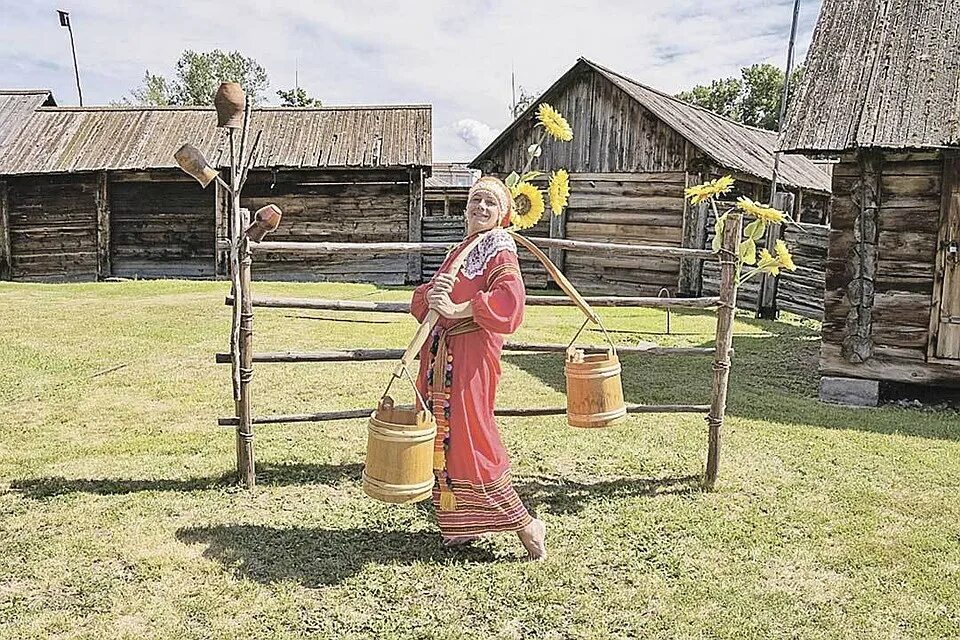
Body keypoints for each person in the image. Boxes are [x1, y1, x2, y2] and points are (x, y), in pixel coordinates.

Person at [409, 176, 547, 560]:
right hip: (441, 353)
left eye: (491, 203)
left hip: (470, 353)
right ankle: (459, 524)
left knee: (472, 433)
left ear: (503, 213)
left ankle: (525, 524)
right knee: (444, 433)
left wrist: (460, 309)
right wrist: (430, 295)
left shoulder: (499, 247)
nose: (481, 208)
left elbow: (510, 300)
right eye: (476, 200)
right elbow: (435, 296)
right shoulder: (464, 247)